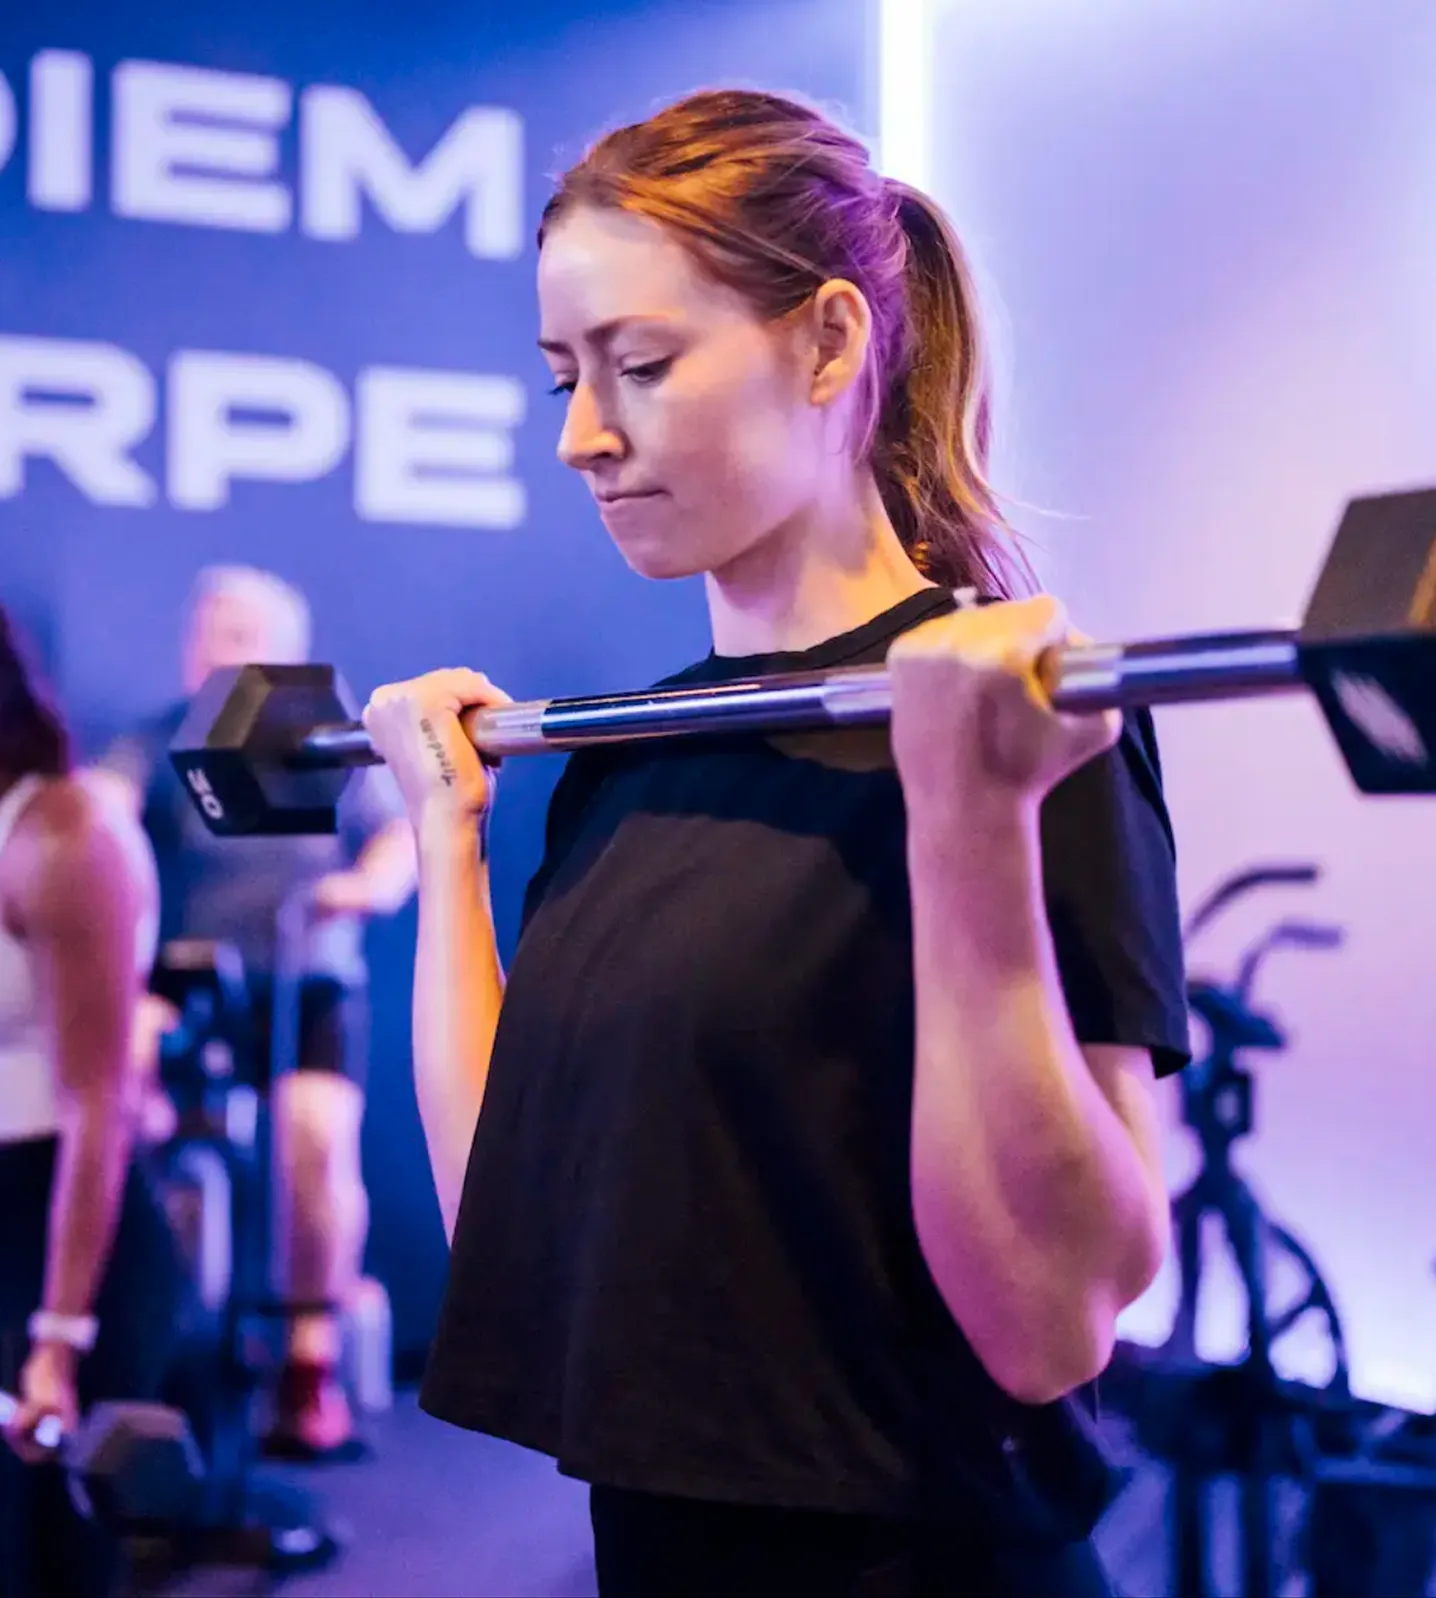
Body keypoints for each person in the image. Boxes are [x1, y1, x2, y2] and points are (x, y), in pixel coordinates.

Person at [364, 88, 1191, 1597]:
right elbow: (519, 1228)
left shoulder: (1017, 713)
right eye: (562, 374)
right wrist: (448, 837)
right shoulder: (627, 753)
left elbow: (1056, 1317)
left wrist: (966, 816)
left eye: (644, 365)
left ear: (827, 341)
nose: (583, 435)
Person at [98, 566, 416, 1460]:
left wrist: (362, 888)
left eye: (238, 633)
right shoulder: (152, 740)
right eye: (206, 631)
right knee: (119, 1073)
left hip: (306, 984)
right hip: (188, 984)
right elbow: (107, 816)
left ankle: (307, 1369)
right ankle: (135, 1342)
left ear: (285, 649)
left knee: (314, 1142)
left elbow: (400, 837)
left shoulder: (330, 741)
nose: (215, 648)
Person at [0, 605, 186, 1598]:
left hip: (58, 1231)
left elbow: (99, 1105)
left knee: (45, 1561)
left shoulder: (67, 836)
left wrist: (55, 1339)